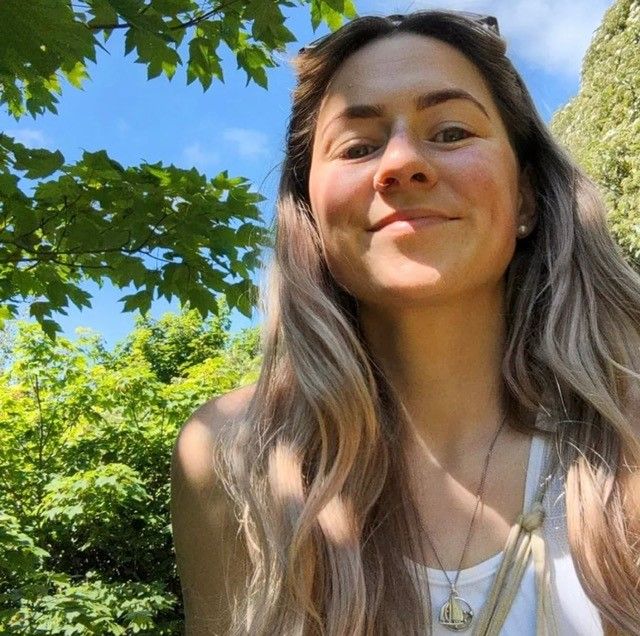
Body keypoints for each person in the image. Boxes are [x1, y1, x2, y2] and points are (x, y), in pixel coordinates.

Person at [171, 10, 640, 635]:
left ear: (526, 196)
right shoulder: (231, 456)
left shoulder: (628, 434)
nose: (400, 163)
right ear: (311, 218)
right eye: (357, 147)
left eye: (450, 131)